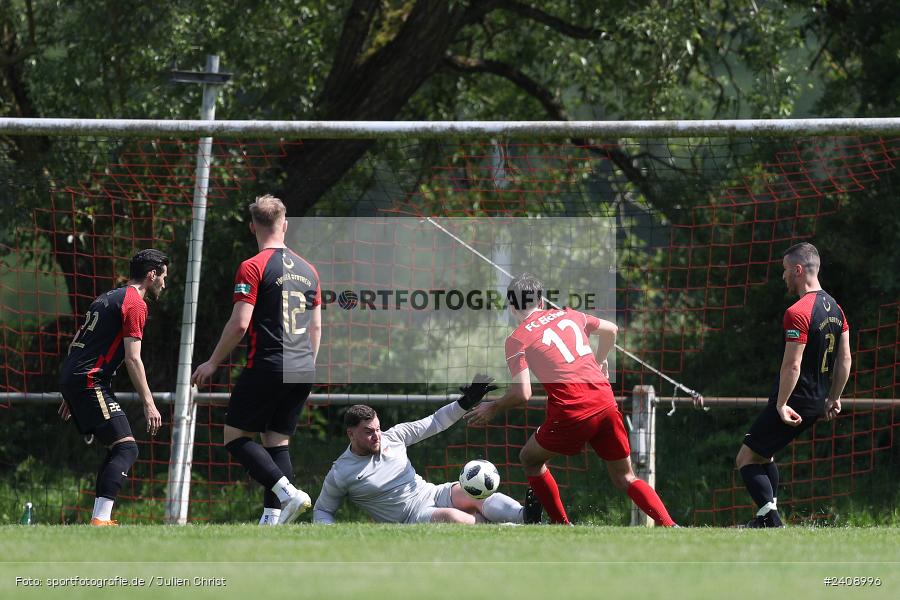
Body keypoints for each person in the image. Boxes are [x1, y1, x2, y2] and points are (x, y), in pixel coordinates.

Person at [467, 273, 677, 526]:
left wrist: (494, 405)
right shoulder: (570, 314)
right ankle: (670, 525)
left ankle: (561, 524)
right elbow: (612, 330)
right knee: (626, 477)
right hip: (604, 399)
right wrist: (600, 360)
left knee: (530, 459)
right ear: (542, 301)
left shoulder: (517, 339)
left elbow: (523, 393)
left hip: (573, 409)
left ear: (512, 307)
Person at [191, 194, 321, 526]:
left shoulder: (253, 266)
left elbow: (239, 323)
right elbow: (316, 326)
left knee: (235, 438)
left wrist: (213, 362)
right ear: (285, 225)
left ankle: (288, 493)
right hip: (302, 365)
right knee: (276, 442)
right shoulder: (310, 270)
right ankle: (271, 519)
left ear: (253, 227)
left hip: (268, 363)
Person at [313, 377, 542, 525]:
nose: (377, 436)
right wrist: (329, 531)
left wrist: (466, 402)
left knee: (471, 492)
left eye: (378, 429)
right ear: (351, 434)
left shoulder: (395, 436)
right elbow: (323, 510)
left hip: (431, 493)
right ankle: (503, 529)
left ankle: (524, 517)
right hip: (410, 518)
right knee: (452, 517)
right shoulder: (341, 472)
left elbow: (435, 422)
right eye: (368, 432)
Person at [735, 242, 850, 528]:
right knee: (764, 454)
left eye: (785, 270)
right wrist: (834, 397)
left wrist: (782, 403)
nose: (783, 276)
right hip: (817, 399)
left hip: (794, 400)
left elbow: (793, 365)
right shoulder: (837, 309)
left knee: (746, 458)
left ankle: (770, 519)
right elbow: (845, 358)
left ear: (798, 270)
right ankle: (766, 518)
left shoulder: (798, 311)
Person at [58, 248, 168, 526]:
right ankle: (101, 518)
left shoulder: (106, 297)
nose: (164, 283)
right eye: (163, 277)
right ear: (151, 275)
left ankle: (100, 518)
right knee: (126, 449)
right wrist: (149, 402)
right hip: (89, 380)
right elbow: (133, 358)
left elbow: (75, 344)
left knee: (119, 446)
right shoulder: (135, 304)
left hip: (78, 378)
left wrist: (69, 390)